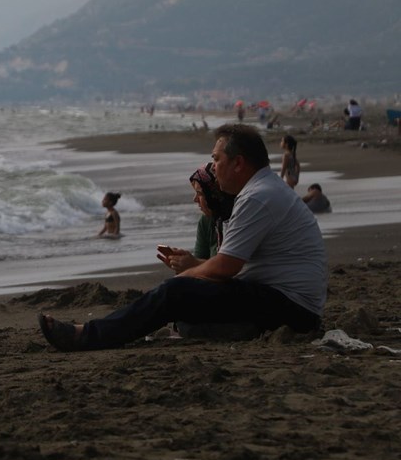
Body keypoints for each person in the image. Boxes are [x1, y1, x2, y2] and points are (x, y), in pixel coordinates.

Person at [39, 124, 326, 352]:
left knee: (174, 293)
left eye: (216, 159)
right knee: (184, 306)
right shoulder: (264, 189)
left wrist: (186, 277)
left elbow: (227, 266)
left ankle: (87, 336)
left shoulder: (257, 197)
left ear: (238, 163)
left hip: (292, 308)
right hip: (290, 304)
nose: (212, 167)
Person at [156, 162, 235, 273]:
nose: (195, 199)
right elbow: (200, 261)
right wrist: (182, 265)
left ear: (213, 195)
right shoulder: (206, 221)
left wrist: (193, 264)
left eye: (200, 193)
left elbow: (233, 269)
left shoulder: (236, 218)